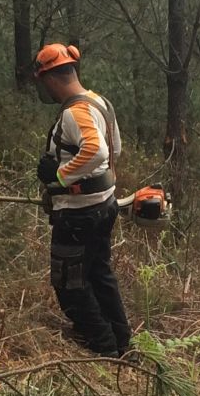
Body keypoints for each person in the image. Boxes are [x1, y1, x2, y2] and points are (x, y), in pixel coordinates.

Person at [33, 43, 131, 358]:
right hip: (103, 207)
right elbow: (114, 149)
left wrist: (61, 177)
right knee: (99, 275)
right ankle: (122, 341)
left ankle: (103, 347)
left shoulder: (75, 112)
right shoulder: (100, 103)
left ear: (49, 78)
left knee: (70, 285)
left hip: (78, 214)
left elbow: (97, 151)